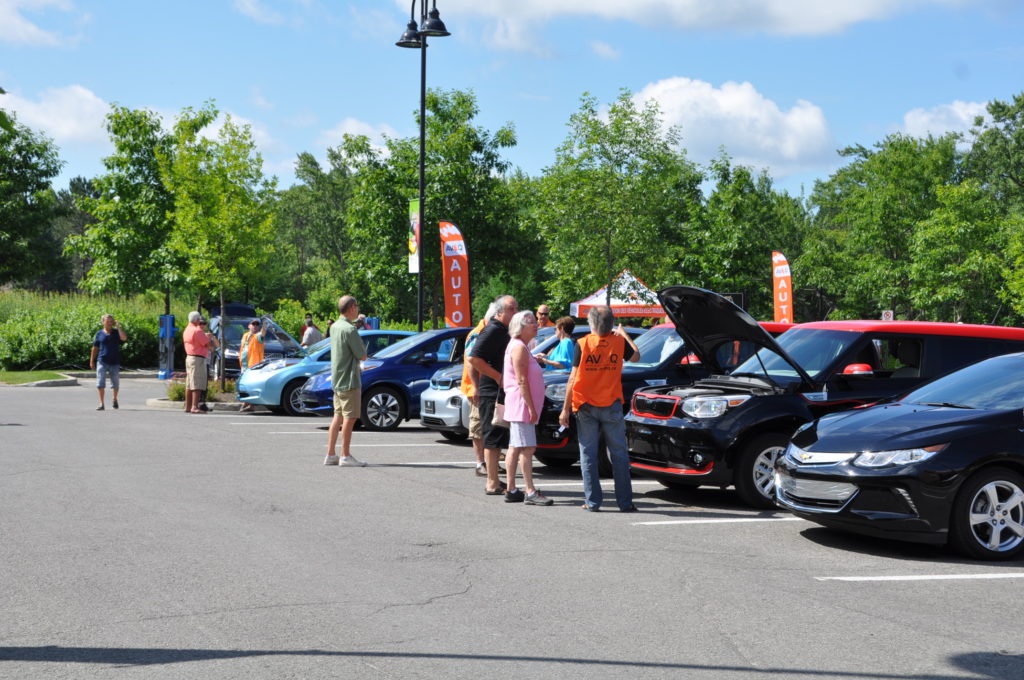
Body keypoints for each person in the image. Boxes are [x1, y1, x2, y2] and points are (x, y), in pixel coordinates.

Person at [559, 305, 642, 512]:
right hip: (611, 404)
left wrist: (565, 408)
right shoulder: (619, 342)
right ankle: (625, 502)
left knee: (588, 454)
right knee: (619, 454)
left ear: (591, 323)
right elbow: (636, 357)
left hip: (585, 404)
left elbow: (573, 378)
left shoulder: (583, 343)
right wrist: (624, 335)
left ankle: (593, 501)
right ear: (611, 324)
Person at [468, 295, 518, 495]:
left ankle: (495, 480)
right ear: (499, 312)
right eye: (511, 309)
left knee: (497, 438)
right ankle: (491, 483)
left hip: (499, 392)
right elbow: (473, 358)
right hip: (491, 393)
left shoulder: (502, 330)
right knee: (492, 437)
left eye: (516, 308)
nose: (515, 312)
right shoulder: (493, 330)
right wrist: (498, 377)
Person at [502, 310, 552, 505]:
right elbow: (522, 380)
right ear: (521, 326)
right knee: (527, 448)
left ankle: (511, 489)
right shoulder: (519, 347)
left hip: (519, 403)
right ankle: (529, 491)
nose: (536, 325)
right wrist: (531, 408)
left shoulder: (521, 346)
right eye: (531, 322)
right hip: (522, 404)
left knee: (515, 447)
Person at [325, 295, 368, 467]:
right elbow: (362, 355)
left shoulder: (335, 326)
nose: (357, 309)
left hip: (337, 378)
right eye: (356, 306)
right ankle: (345, 455)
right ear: (351, 308)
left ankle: (330, 454)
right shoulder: (350, 330)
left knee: (338, 417)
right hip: (350, 379)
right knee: (350, 419)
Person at [462, 302, 498, 476]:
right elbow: (471, 361)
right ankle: (480, 463)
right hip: (476, 387)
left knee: (489, 424)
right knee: (478, 425)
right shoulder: (478, 333)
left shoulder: (486, 331)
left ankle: (490, 461)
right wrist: (476, 387)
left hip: (486, 387)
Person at [90, 313, 127, 411]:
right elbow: (95, 348)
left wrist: (118, 327)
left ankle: (114, 399)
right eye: (108, 321)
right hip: (102, 361)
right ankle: (101, 403)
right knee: (100, 382)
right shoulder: (99, 333)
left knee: (115, 383)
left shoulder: (116, 332)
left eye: (111, 321)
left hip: (114, 361)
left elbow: (124, 338)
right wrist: (92, 361)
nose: (110, 323)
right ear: (103, 322)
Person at [183, 311, 216, 414]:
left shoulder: (187, 330)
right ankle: (194, 407)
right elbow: (209, 345)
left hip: (189, 357)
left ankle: (188, 406)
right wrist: (209, 338)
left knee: (189, 384)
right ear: (197, 320)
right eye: (199, 320)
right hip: (198, 359)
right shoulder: (197, 331)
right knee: (197, 383)